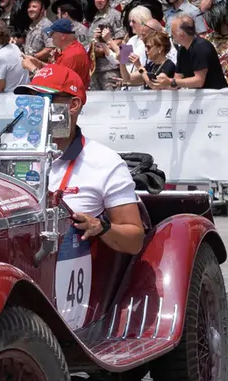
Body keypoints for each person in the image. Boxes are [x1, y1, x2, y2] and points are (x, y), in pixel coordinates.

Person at [12, 65, 145, 255]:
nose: (32, 109)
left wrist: (100, 226)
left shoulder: (105, 161)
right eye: (30, 100)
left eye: (42, 100)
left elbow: (134, 241)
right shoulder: (10, 153)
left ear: (73, 105)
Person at [164, 14, 228, 88]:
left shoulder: (201, 47)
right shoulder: (182, 50)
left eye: (173, 32)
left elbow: (199, 81)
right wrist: (160, 84)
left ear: (182, 35)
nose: (171, 35)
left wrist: (171, 81)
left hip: (215, 93)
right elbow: (177, 80)